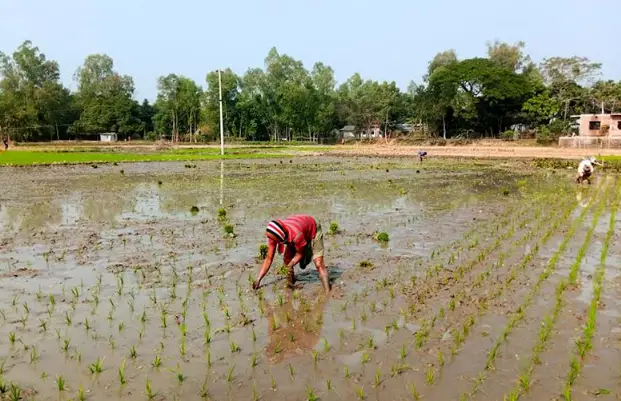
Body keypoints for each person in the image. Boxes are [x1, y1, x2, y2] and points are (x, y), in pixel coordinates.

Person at [252, 215, 330, 292]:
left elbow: (300, 254)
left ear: (281, 238)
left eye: (276, 240)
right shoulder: (274, 235)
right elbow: (269, 259)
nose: (273, 241)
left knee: (318, 263)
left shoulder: (296, 236)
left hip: (313, 227)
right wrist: (258, 279)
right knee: (287, 261)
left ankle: (327, 292)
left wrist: (291, 264)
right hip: (298, 228)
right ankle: (291, 285)